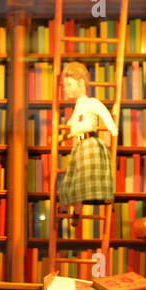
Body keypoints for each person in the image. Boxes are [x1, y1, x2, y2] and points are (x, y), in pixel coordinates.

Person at [56, 61, 118, 208]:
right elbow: (74, 126)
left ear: (81, 82)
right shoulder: (78, 106)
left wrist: (112, 128)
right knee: (75, 178)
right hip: (79, 146)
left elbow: (103, 112)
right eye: (65, 86)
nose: (66, 89)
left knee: (87, 175)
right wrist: (63, 137)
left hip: (89, 143)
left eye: (69, 85)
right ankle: (75, 208)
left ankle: (102, 197)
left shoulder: (90, 102)